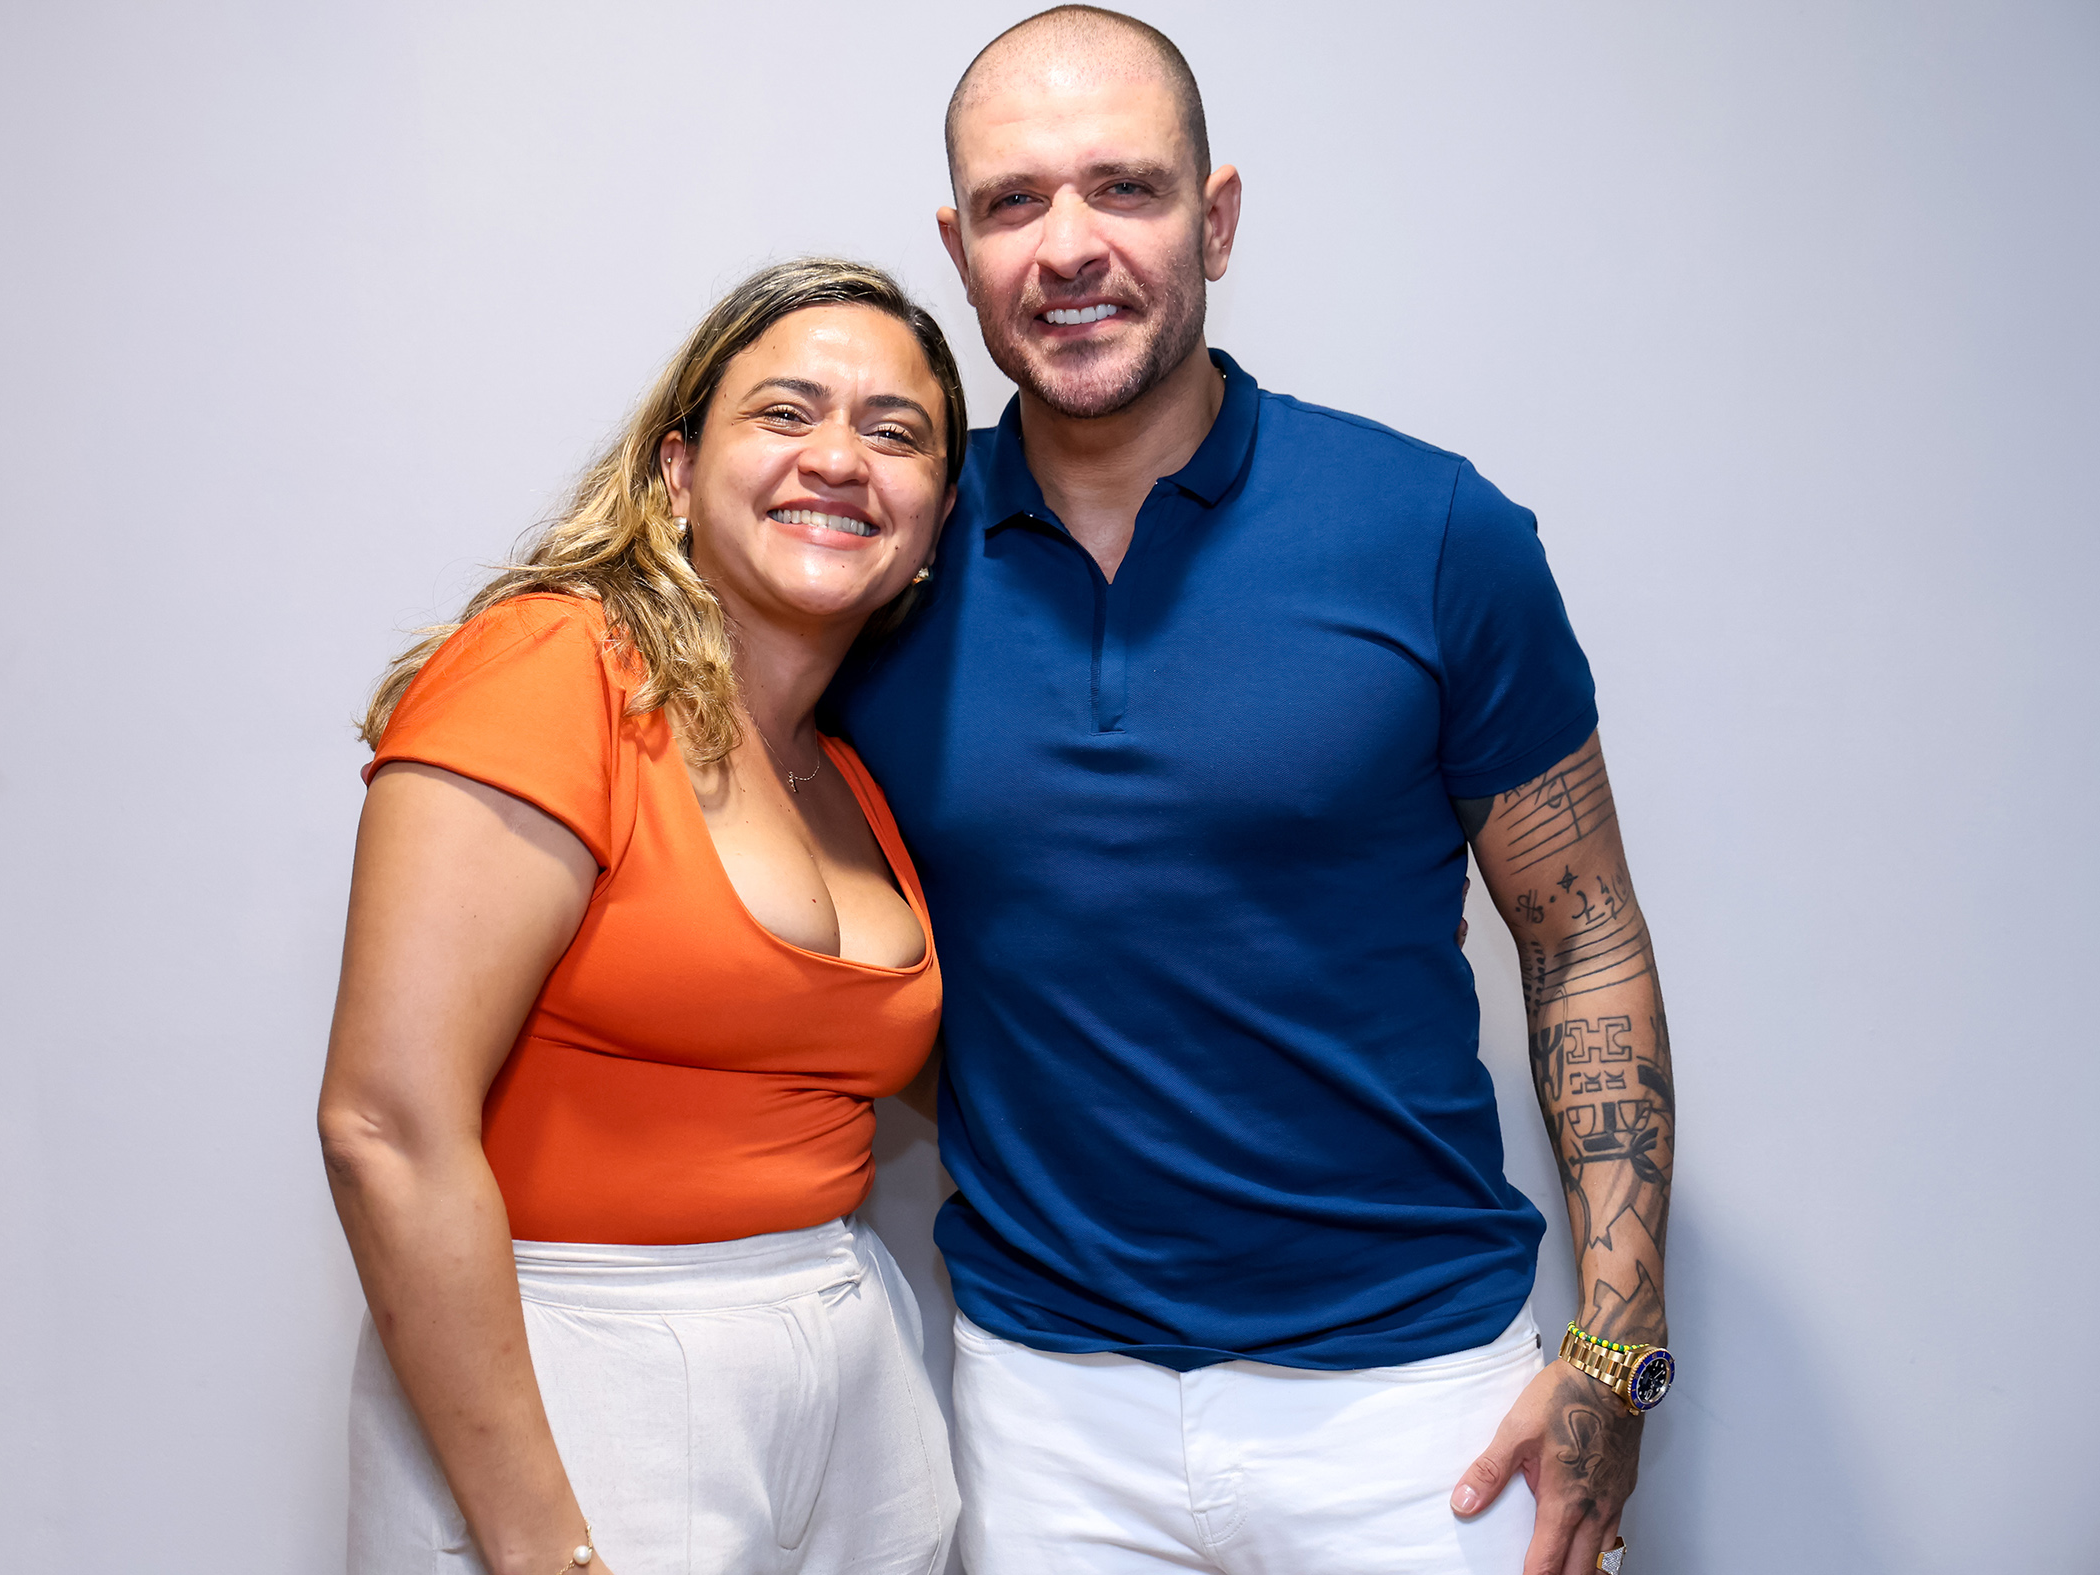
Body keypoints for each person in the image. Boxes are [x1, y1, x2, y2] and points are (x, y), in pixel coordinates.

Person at [825, 9, 1676, 1575]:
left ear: (1214, 219)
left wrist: (1620, 1358)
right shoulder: (880, 568)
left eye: (1123, 189)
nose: (1066, 247)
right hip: (1042, 1405)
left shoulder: (1430, 531)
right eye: (1013, 204)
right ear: (958, 251)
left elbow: (1585, 939)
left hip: (1412, 1403)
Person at [318, 259, 967, 1575]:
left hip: (850, 1367)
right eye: (785, 413)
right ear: (676, 469)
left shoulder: (846, 772)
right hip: (584, 1367)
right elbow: (385, 1128)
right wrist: (536, 1545)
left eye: (894, 432)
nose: (839, 458)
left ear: (937, 521)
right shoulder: (552, 669)